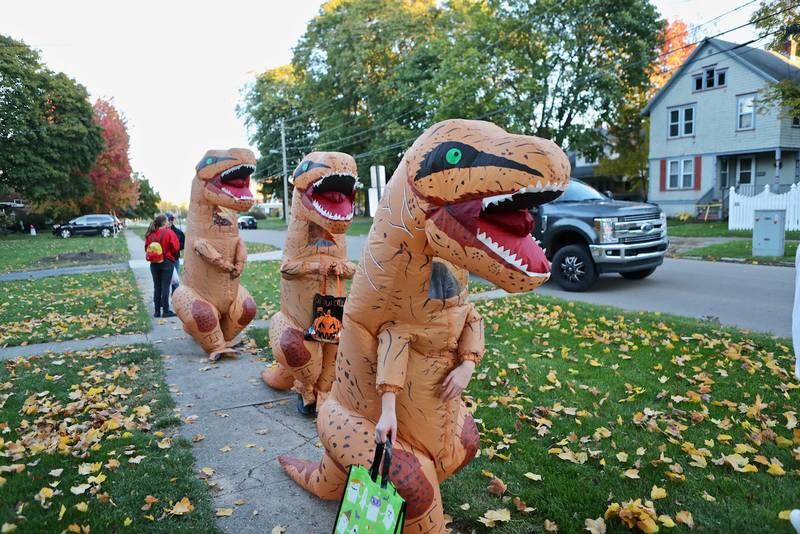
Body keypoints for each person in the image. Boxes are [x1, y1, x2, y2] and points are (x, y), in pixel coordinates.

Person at [144, 214, 180, 318]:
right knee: (165, 286)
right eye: (167, 221)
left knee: (157, 286)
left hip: (154, 263)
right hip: (166, 262)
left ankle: (156, 311)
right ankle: (165, 311)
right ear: (164, 222)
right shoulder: (169, 232)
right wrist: (172, 256)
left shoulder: (150, 234)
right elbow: (176, 247)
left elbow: (146, 248)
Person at [165, 212, 185, 294]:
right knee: (165, 281)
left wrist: (175, 246)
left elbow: (183, 245)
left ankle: (175, 297)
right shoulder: (161, 231)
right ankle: (163, 299)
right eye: (168, 219)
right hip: (164, 260)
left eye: (171, 219)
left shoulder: (178, 232)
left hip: (174, 259)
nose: (170, 221)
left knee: (175, 281)